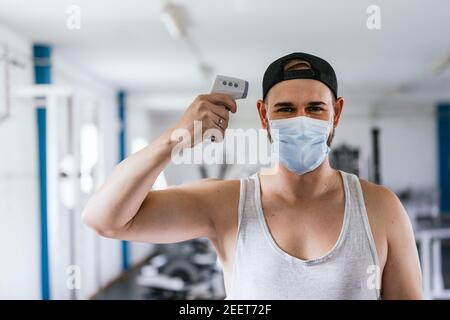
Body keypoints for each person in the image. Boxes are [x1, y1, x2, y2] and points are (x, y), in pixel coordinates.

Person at [82, 52, 423, 299]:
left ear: (337, 114)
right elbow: (105, 219)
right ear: (263, 115)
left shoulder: (380, 207)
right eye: (285, 109)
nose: (301, 120)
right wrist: (176, 137)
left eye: (316, 108)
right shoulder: (226, 203)